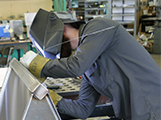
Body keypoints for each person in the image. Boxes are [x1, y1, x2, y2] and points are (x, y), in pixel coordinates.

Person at [20, 8, 161, 120]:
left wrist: (37, 65)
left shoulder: (99, 27)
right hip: (133, 112)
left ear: (62, 28)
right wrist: (50, 97)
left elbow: (75, 67)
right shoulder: (88, 68)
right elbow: (83, 109)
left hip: (152, 106)